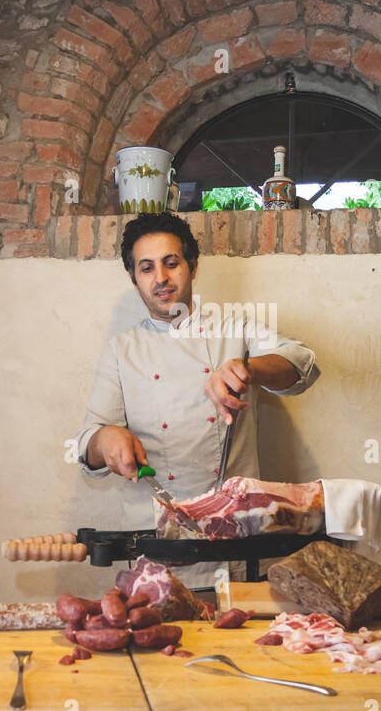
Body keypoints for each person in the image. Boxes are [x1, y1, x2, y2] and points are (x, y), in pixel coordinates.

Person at [75, 212, 321, 588]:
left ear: (192, 265)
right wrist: (106, 440)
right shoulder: (122, 350)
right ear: (134, 278)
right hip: (153, 539)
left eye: (171, 263)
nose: (161, 278)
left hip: (231, 536)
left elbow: (301, 363)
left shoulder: (234, 328)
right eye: (146, 268)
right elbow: (88, 447)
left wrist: (247, 369)